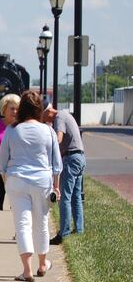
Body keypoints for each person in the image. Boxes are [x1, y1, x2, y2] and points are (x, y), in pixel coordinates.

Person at [0, 90, 62, 281]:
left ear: (21, 109)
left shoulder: (11, 130)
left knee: (22, 224)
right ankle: (43, 264)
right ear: (39, 110)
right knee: (41, 223)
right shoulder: (48, 131)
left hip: (17, 180)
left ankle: (27, 270)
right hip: (42, 181)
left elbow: (1, 163)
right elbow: (56, 164)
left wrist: (7, 182)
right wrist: (56, 187)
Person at [42, 100, 85, 245]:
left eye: (43, 118)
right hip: (79, 157)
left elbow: (59, 138)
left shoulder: (59, 117)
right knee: (76, 196)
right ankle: (79, 229)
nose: (44, 121)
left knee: (64, 197)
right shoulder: (65, 115)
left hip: (71, 158)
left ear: (48, 112)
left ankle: (63, 233)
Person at [0, 94, 20, 242]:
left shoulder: (20, 127)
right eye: (12, 108)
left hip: (14, 171)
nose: (15, 112)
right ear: (4, 109)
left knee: (17, 204)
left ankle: (20, 231)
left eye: (17, 109)